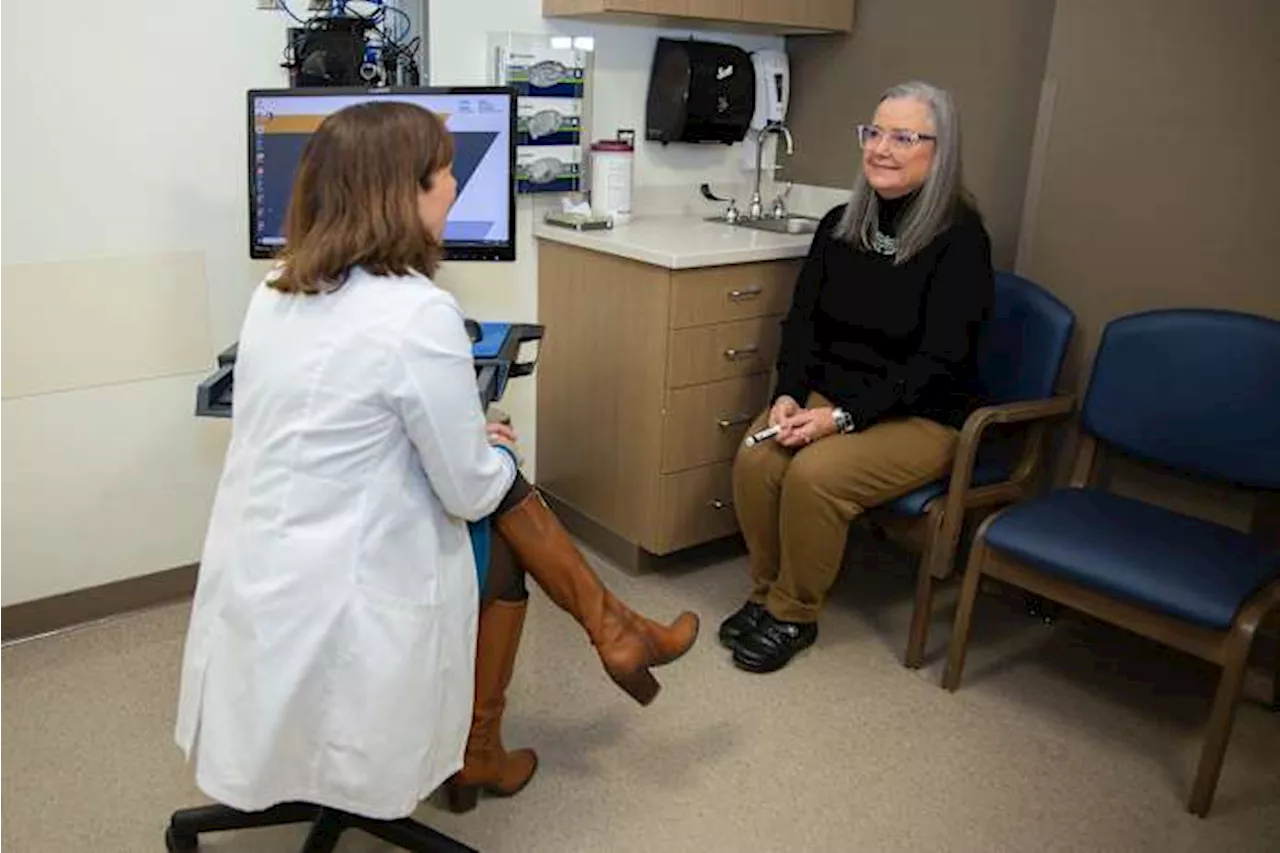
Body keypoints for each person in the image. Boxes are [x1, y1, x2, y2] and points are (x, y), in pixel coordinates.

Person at [173, 101, 699, 823]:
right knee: (508, 504)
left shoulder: (277, 288)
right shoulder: (418, 314)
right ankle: (578, 659)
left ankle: (608, 634)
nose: (456, 186)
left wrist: (477, 452)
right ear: (406, 194)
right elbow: (464, 488)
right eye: (446, 173)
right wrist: (491, 449)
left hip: (261, 569)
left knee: (503, 490)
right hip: (350, 585)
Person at [720, 81, 994, 675]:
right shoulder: (842, 225)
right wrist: (789, 396)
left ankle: (795, 612)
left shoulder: (960, 241)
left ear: (939, 151)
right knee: (756, 453)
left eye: (904, 137)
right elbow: (802, 326)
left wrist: (841, 419)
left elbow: (937, 362)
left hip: (921, 414)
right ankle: (766, 593)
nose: (882, 149)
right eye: (874, 133)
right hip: (832, 397)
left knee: (816, 475)